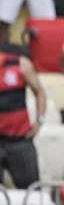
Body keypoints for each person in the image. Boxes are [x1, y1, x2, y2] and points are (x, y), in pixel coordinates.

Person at [0, 49, 46, 188]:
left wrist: (39, 121)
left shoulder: (20, 64)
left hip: (20, 141)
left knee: (31, 193)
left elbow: (39, 92)